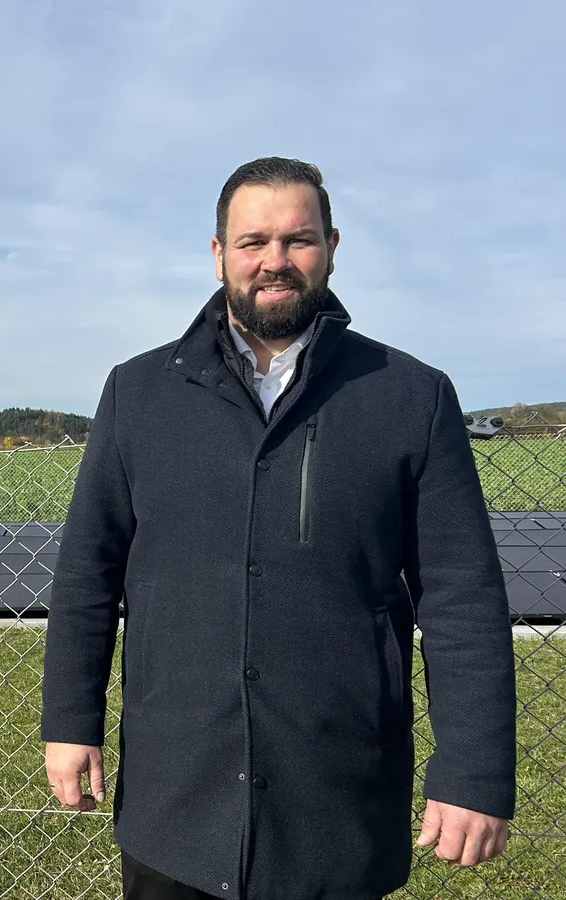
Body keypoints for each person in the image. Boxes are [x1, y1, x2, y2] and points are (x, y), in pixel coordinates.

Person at [40, 157, 516, 900]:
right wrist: (71, 720)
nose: (275, 261)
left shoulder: (409, 395)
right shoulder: (137, 393)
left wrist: (475, 771)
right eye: (253, 240)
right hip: (176, 800)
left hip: (338, 795)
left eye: (297, 240)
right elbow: (87, 576)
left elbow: (462, 598)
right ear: (218, 251)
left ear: (330, 244)